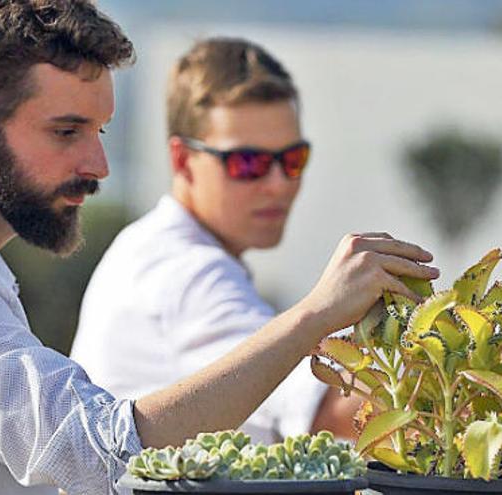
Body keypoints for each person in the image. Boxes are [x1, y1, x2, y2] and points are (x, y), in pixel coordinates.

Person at [0, 1, 439, 494]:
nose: (98, 164)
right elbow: (102, 453)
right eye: (66, 130)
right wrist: (315, 315)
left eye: (99, 130)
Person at [72, 37, 363, 444]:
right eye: (249, 163)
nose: (279, 185)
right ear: (182, 160)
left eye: (293, 160)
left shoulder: (159, 248)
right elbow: (337, 407)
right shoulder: (184, 270)